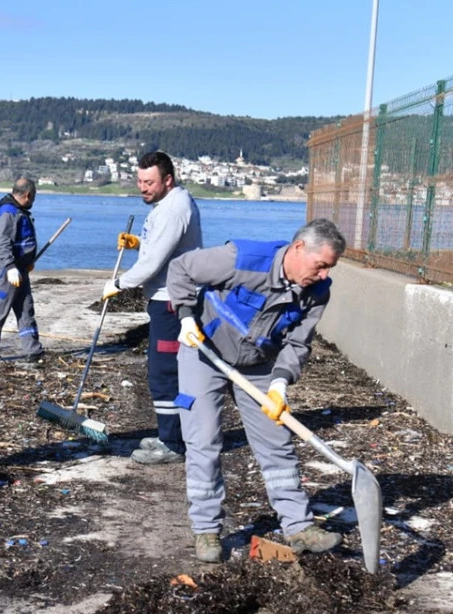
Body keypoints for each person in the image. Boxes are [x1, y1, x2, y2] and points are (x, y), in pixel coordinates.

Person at [168, 217, 346, 563]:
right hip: (205, 351)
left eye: (329, 268)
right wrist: (187, 316)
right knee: (204, 440)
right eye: (321, 265)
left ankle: (298, 527)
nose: (324, 274)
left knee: (276, 443)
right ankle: (206, 530)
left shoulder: (318, 291)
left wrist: (280, 382)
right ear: (298, 249)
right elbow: (181, 268)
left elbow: (298, 344)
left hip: (260, 363)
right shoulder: (242, 259)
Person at [102, 151, 203, 465]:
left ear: (168, 180)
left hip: (172, 302)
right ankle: (169, 433)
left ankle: (173, 443)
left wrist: (119, 284)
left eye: (149, 182)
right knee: (164, 370)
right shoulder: (168, 205)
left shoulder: (174, 209)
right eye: (140, 181)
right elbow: (158, 247)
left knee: (164, 372)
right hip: (164, 299)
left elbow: (154, 262)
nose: (143, 187)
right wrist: (137, 242)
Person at [0, 177, 44, 364]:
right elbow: (3, 243)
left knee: (25, 310)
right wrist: (10, 267)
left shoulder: (19, 211)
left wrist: (27, 261)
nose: (33, 200)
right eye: (34, 197)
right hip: (6, 272)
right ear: (27, 194)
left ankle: (33, 349)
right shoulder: (8, 213)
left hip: (21, 269)